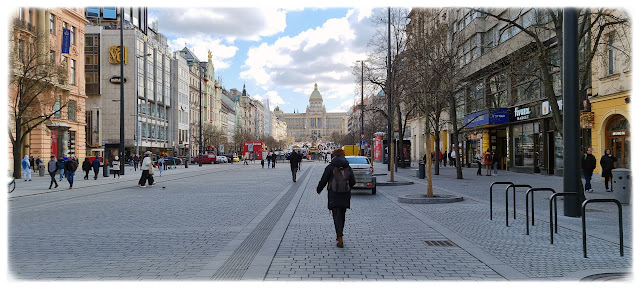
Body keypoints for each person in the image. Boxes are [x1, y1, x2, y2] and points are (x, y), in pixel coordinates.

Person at [316, 148, 356, 248]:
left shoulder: (330, 167)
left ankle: (339, 236)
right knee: (342, 215)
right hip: (345, 195)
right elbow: (353, 182)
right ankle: (340, 234)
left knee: (336, 215)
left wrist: (319, 189)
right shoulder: (348, 167)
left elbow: (324, 179)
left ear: (334, 155)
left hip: (333, 194)